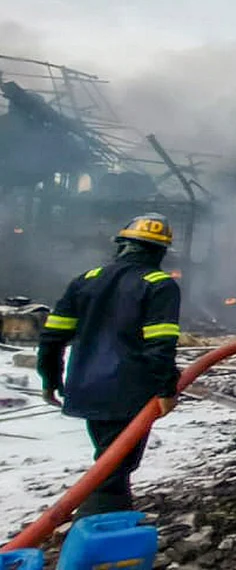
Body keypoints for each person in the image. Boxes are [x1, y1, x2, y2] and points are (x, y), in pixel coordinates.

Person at [37, 213, 182, 517]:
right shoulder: (158, 284)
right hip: (129, 391)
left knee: (111, 461)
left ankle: (108, 522)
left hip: (87, 386)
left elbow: (52, 337)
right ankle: (96, 532)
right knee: (114, 468)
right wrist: (167, 389)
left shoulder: (87, 280)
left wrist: (49, 379)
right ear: (160, 252)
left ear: (121, 246)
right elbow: (160, 346)